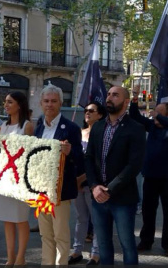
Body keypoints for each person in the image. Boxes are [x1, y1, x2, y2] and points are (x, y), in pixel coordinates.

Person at [85, 86, 146, 265]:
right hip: (98, 198)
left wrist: (109, 190)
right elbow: (88, 158)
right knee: (103, 245)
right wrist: (95, 186)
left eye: (115, 95)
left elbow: (134, 165)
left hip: (123, 199)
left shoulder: (136, 128)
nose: (110, 98)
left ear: (126, 102)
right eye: (109, 94)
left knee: (127, 245)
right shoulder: (97, 127)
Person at [129, 85, 168, 257]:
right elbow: (135, 117)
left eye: (159, 112)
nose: (154, 115)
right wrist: (134, 97)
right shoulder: (153, 127)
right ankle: (146, 241)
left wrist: (159, 116)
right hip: (151, 176)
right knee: (148, 210)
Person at [35, 84, 84, 265]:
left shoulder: (71, 128)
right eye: (46, 101)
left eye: (53, 101)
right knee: (45, 234)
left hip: (60, 190)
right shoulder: (39, 126)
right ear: (41, 103)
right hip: (40, 190)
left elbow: (80, 159)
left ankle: (60, 264)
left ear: (60, 103)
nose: (50, 104)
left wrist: (70, 152)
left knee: (60, 234)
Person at [0, 92, 34, 265]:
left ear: (19, 105)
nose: (6, 105)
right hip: (3, 178)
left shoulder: (27, 126)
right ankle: (10, 256)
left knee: (20, 219)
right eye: (6, 102)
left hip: (19, 179)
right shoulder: (1, 125)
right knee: (7, 219)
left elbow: (30, 155)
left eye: (10, 102)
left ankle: (21, 256)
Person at [69, 101, 106, 266]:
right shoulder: (79, 133)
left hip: (92, 183)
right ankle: (77, 251)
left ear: (100, 114)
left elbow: (98, 163)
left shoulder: (102, 134)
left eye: (92, 110)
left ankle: (96, 254)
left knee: (96, 219)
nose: (87, 113)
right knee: (81, 218)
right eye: (86, 110)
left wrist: (82, 179)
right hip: (77, 183)